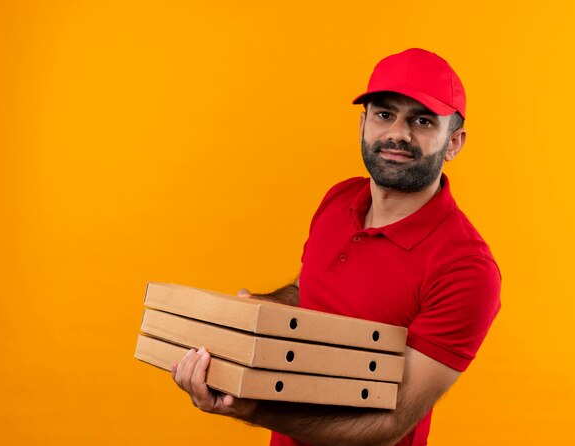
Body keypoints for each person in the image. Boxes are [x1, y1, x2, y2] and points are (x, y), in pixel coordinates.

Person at [171, 48, 501, 446]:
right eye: (384, 114)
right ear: (363, 123)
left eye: (422, 120)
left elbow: (388, 425)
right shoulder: (340, 198)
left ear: (454, 143)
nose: (398, 133)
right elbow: (308, 296)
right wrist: (250, 314)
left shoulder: (466, 269)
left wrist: (248, 408)